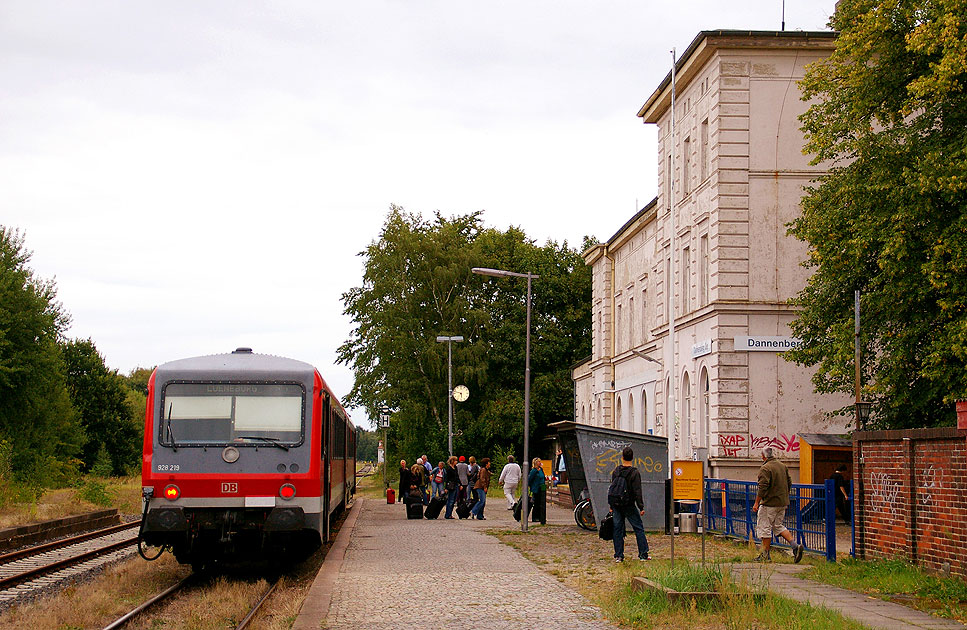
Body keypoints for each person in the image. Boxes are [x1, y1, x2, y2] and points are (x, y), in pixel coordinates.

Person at [752, 447, 804, 563]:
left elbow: (762, 487)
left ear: (763, 456)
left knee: (765, 527)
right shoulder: (782, 466)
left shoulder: (765, 468)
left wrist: (756, 503)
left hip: (769, 503)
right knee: (778, 526)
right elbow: (789, 482)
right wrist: (784, 495)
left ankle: (765, 555)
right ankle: (795, 546)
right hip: (782, 502)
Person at [609, 446, 649, 562]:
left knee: (617, 529)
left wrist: (611, 506)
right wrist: (641, 506)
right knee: (638, 528)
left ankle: (619, 555)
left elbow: (613, 489)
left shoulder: (616, 471)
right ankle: (643, 554)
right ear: (632, 458)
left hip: (616, 504)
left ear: (622, 457)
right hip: (629, 505)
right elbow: (637, 491)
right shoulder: (634, 473)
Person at [527, 457, 546, 525]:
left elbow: (543, 477)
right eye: (538, 462)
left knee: (541, 503)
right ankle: (535, 517)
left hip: (542, 487)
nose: (540, 463)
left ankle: (541, 517)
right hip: (536, 488)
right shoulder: (534, 470)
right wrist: (530, 486)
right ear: (535, 463)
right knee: (536, 503)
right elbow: (530, 479)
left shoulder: (541, 469)